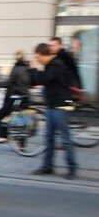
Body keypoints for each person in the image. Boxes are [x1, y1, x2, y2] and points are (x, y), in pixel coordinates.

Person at [29, 43, 77, 180]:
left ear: (44, 55)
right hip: (51, 107)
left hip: (60, 107)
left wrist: (33, 69)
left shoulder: (56, 65)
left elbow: (42, 79)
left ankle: (72, 168)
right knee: (49, 139)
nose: (37, 59)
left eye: (38, 57)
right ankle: (47, 166)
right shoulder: (50, 65)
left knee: (66, 140)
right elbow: (36, 81)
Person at [0, 50, 31, 144]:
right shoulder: (27, 68)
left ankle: (2, 136)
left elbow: (7, 84)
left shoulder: (16, 68)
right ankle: (21, 146)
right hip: (25, 99)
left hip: (14, 98)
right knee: (21, 121)